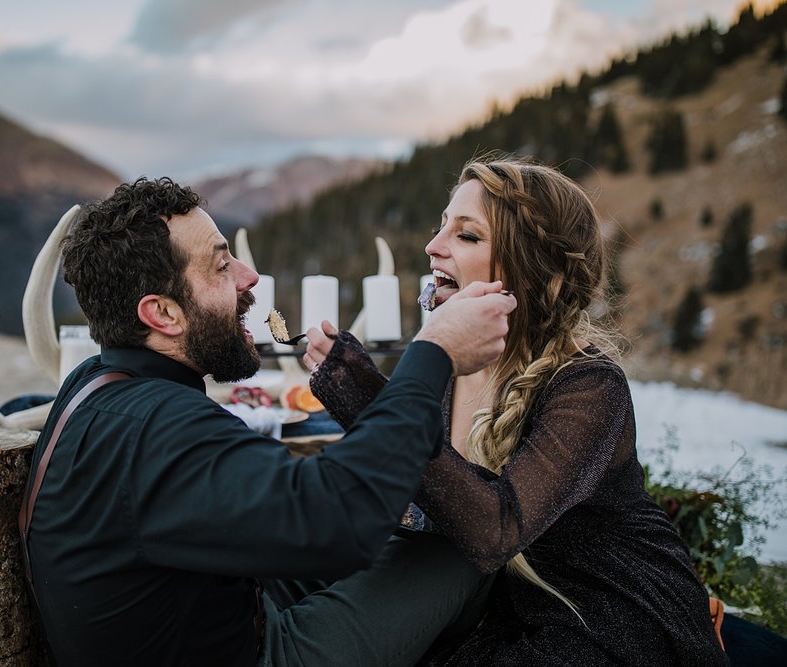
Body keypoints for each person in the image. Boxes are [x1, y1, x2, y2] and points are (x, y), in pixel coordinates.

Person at [22, 176, 518, 666]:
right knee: (461, 551)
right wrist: (432, 353)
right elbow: (340, 520)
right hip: (259, 652)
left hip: (215, 607)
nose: (248, 277)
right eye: (221, 266)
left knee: (398, 541)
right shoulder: (156, 428)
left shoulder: (99, 384)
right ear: (163, 314)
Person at [303, 156, 729, 665]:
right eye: (441, 227)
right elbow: (436, 493)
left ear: (528, 270)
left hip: (605, 607)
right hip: (498, 603)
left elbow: (493, 529)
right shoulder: (457, 368)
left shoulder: (589, 385)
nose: (432, 247)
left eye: (467, 236)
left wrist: (367, 395)